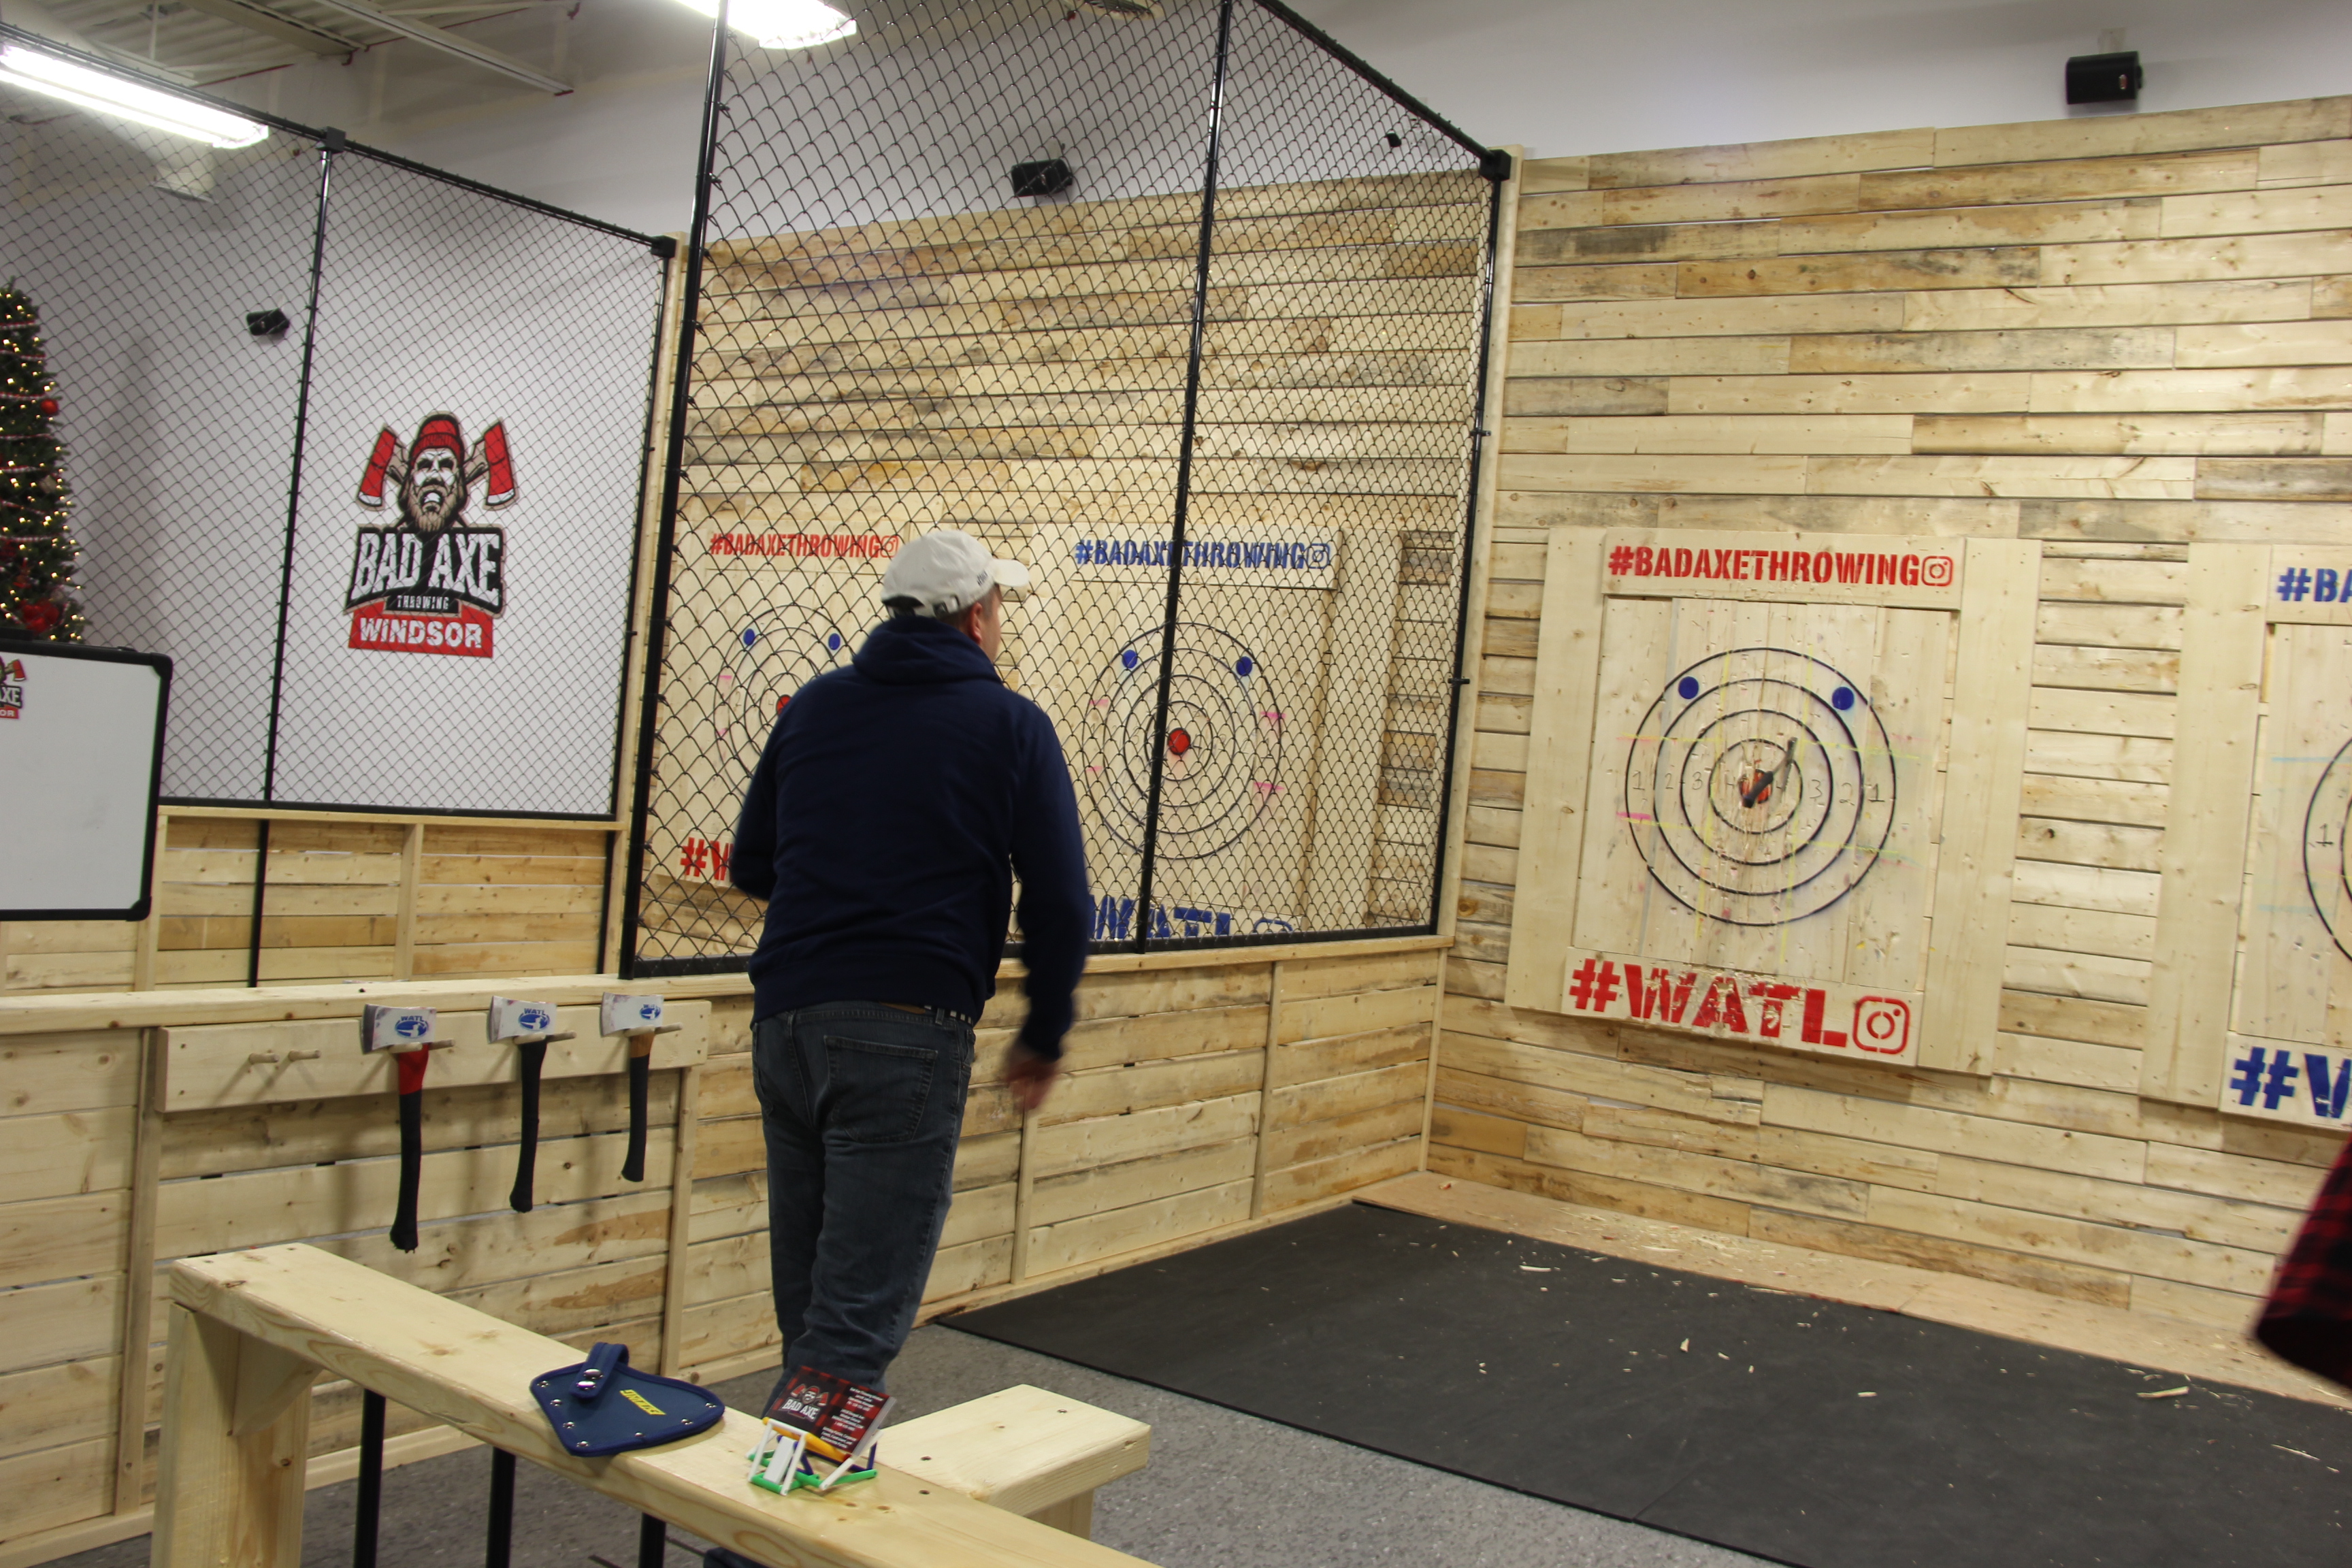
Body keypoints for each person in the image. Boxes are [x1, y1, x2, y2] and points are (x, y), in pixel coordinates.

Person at [723, 527, 1091, 1473]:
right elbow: (1057, 904)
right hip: (903, 1034)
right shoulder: (1011, 724)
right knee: (851, 1327)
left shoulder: (813, 707)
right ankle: (762, 1541)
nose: (1001, 624)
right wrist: (1043, 1033)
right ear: (976, 617)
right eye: (999, 608)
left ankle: (784, 1498)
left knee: (811, 1311)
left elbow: (753, 862)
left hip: (786, 1024)